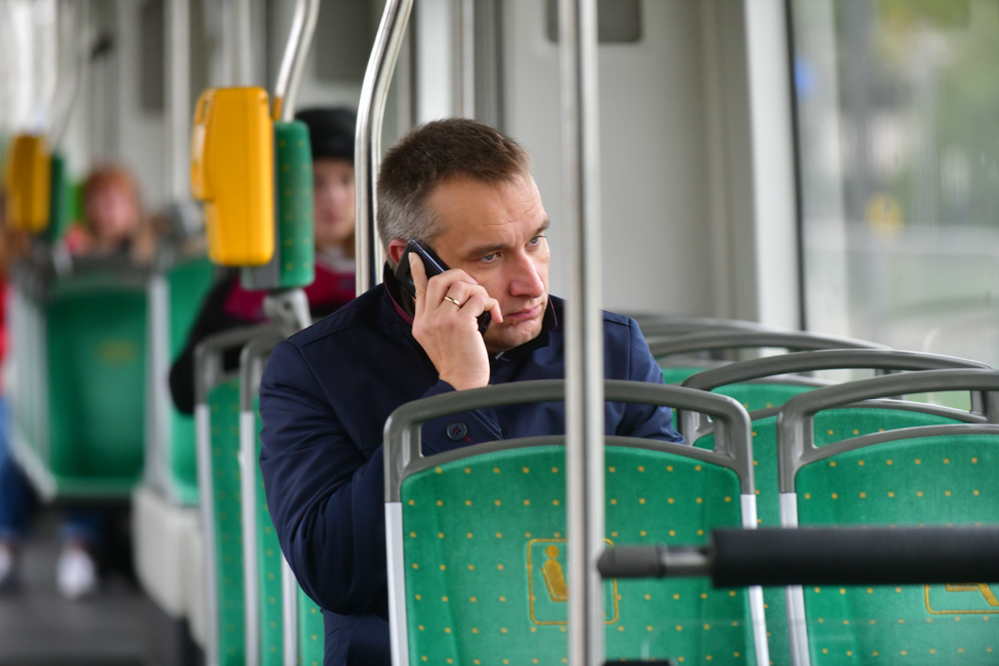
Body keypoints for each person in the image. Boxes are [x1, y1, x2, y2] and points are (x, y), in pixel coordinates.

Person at [258, 118, 683, 666]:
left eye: (536, 241)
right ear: (410, 263)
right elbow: (334, 571)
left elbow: (673, 523)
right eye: (490, 256)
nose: (531, 282)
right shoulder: (315, 370)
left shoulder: (608, 351)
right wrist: (455, 395)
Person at [169, 107, 357, 414]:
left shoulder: (386, 279)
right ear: (284, 194)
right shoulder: (248, 287)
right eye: (315, 182)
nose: (333, 197)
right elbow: (184, 390)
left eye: (346, 180)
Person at [64, 166, 155, 263]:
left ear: (131, 205)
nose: (99, 211)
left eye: (108, 203)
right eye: (92, 203)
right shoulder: (81, 240)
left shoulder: (151, 251)